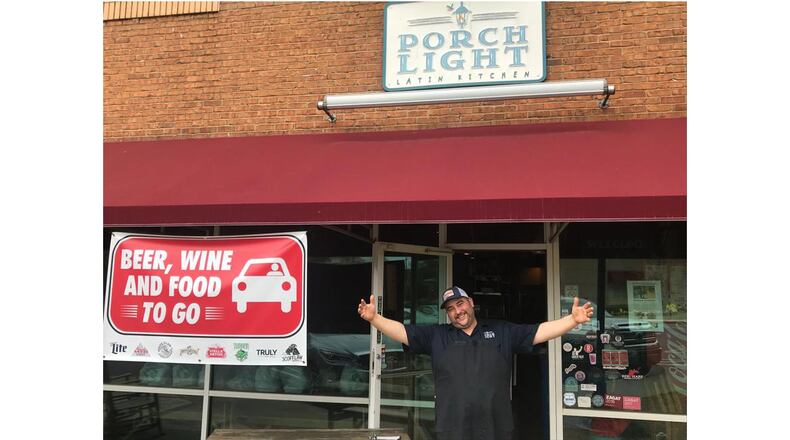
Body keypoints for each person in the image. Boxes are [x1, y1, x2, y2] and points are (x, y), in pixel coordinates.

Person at [357, 286, 594, 440]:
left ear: (470, 302)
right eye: (451, 309)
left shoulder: (501, 330)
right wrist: (375, 318)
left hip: (495, 426)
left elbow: (539, 332)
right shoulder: (437, 335)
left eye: (460, 304)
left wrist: (572, 321)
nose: (457, 311)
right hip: (453, 428)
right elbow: (402, 332)